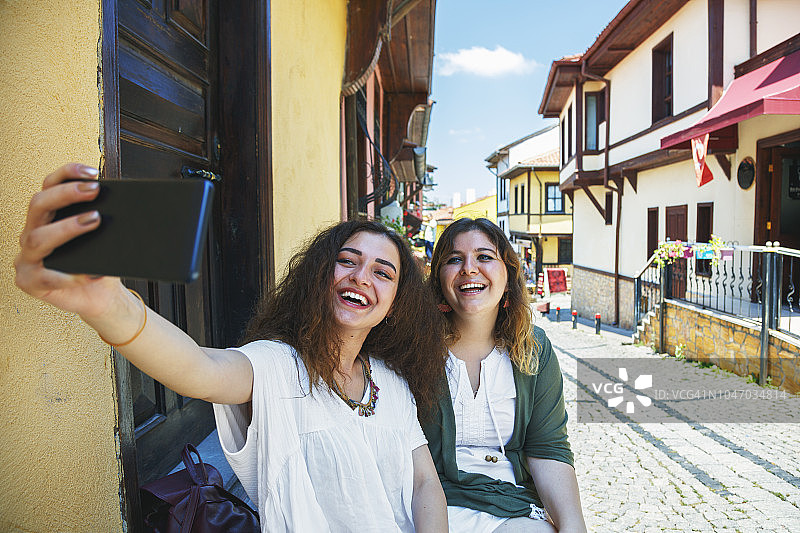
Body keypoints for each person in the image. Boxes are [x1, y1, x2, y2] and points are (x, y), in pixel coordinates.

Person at [14, 163, 449, 532]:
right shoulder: (279, 365)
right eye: (348, 261)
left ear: (394, 306)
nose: (360, 277)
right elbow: (199, 369)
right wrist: (112, 306)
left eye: (383, 273)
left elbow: (425, 484)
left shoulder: (390, 384)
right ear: (320, 276)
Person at [422, 217, 586, 533]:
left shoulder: (534, 349)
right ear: (439, 281)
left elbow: (547, 448)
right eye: (454, 259)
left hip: (509, 507)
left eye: (484, 257)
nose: (469, 268)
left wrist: (572, 526)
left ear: (508, 277)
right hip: (429, 505)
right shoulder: (414, 350)